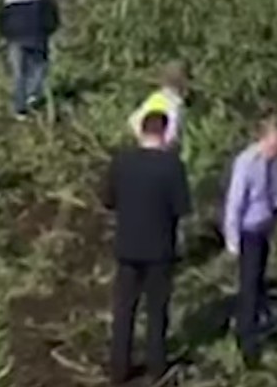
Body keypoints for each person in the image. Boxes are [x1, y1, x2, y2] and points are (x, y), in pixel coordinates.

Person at [102, 110, 190, 385]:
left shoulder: (122, 162)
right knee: (156, 309)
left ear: (141, 131)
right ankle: (156, 364)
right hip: (160, 248)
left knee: (124, 308)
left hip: (127, 245)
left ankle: (119, 367)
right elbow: (182, 208)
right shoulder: (172, 166)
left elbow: (107, 199)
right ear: (164, 133)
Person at [222, 115, 277, 369]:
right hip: (248, 231)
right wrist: (232, 240)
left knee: (259, 280)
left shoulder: (273, 161)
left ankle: (258, 322)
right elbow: (235, 204)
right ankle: (246, 339)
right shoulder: (247, 163)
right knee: (249, 285)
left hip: (263, 226)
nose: (276, 149)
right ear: (262, 139)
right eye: (273, 144)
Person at [0, 0, 61, 120]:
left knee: (19, 73)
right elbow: (50, 14)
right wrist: (49, 30)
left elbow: (1, 17)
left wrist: (5, 35)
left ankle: (20, 109)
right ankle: (33, 94)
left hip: (14, 37)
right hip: (36, 35)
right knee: (40, 65)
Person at [127, 62, 189, 154]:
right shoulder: (176, 103)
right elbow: (173, 126)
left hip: (146, 148)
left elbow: (132, 120)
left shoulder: (155, 98)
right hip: (162, 149)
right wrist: (166, 143)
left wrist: (143, 139)